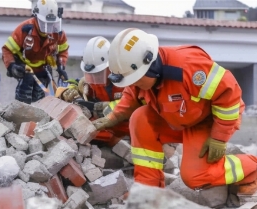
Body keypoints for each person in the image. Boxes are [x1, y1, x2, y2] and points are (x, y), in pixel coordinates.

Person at [92, 28, 257, 195]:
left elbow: (229, 94)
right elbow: (131, 96)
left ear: (150, 67)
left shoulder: (188, 67)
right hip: (177, 118)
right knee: (140, 118)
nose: (133, 84)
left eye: (136, 80)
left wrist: (219, 137)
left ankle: (252, 167)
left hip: (208, 120)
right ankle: (148, 191)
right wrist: (113, 117)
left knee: (195, 176)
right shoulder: (140, 76)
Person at [55, 36, 131, 146]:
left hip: (125, 130)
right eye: (92, 74)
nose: (95, 77)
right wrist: (69, 90)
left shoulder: (127, 80)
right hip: (103, 128)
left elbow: (132, 104)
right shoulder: (93, 80)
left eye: (98, 73)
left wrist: (100, 107)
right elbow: (76, 83)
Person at [2, 0, 69, 104]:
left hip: (43, 70)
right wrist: (12, 66)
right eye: (44, 23)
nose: (48, 28)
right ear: (36, 17)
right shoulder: (25, 29)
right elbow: (7, 50)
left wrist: (61, 66)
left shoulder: (58, 33)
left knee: (40, 100)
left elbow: (63, 49)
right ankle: (20, 114)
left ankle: (38, 118)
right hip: (25, 69)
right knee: (24, 97)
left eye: (51, 24)